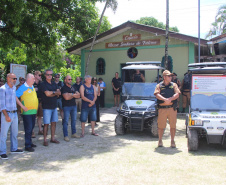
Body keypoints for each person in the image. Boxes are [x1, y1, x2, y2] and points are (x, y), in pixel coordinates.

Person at [154, 70, 180, 148]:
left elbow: (177, 94)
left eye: (171, 76)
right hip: (162, 109)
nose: (170, 77)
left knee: (173, 125)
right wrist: (165, 100)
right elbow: (156, 94)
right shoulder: (159, 85)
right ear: (164, 77)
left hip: (172, 109)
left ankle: (172, 141)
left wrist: (170, 99)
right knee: (161, 126)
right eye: (169, 76)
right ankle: (160, 140)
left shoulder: (174, 85)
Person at [0, 73, 24, 160]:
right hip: (7, 113)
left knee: (15, 132)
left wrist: (22, 106)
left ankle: (14, 148)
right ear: (8, 78)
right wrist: (6, 115)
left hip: (14, 113)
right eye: (14, 78)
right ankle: (2, 152)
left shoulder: (13, 88)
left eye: (16, 79)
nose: (15, 80)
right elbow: (2, 105)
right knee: (4, 134)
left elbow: (15, 98)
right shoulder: (2, 89)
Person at [16, 73, 38, 152]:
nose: (34, 80)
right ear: (28, 79)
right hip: (27, 112)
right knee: (28, 129)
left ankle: (30, 142)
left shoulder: (31, 86)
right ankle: (27, 145)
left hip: (33, 111)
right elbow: (15, 96)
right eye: (33, 79)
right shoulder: (23, 87)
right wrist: (22, 106)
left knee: (31, 128)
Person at [39, 69, 61, 146]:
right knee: (46, 124)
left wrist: (52, 93)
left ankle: (52, 138)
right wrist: (54, 93)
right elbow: (47, 94)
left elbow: (59, 93)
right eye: (48, 74)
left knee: (54, 123)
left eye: (51, 75)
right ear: (45, 75)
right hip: (46, 107)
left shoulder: (54, 84)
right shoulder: (43, 84)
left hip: (54, 106)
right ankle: (45, 140)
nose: (49, 76)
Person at [61, 75, 81, 142]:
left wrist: (70, 95)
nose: (70, 80)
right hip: (66, 106)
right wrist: (73, 95)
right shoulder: (63, 88)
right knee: (65, 121)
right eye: (69, 79)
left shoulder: (73, 87)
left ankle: (73, 133)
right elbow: (66, 98)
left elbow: (78, 95)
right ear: (65, 80)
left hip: (73, 106)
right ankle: (65, 136)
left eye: (71, 79)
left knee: (74, 120)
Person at [34, 71, 43, 135]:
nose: (40, 76)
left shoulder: (41, 83)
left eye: (40, 75)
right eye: (39, 75)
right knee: (33, 116)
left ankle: (40, 130)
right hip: (33, 101)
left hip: (40, 101)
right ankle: (32, 131)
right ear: (35, 75)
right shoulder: (31, 83)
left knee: (39, 116)